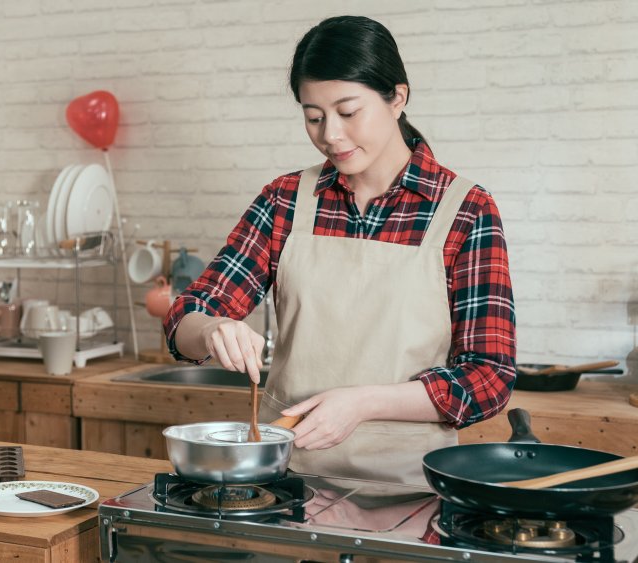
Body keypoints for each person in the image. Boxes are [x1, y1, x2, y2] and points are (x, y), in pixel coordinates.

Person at [164, 15, 516, 485]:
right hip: (285, 483)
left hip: (407, 489)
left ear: (398, 97)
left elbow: (488, 377)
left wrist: (363, 402)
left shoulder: (466, 211)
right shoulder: (285, 200)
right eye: (313, 116)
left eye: (348, 112)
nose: (330, 134)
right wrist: (212, 329)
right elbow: (185, 316)